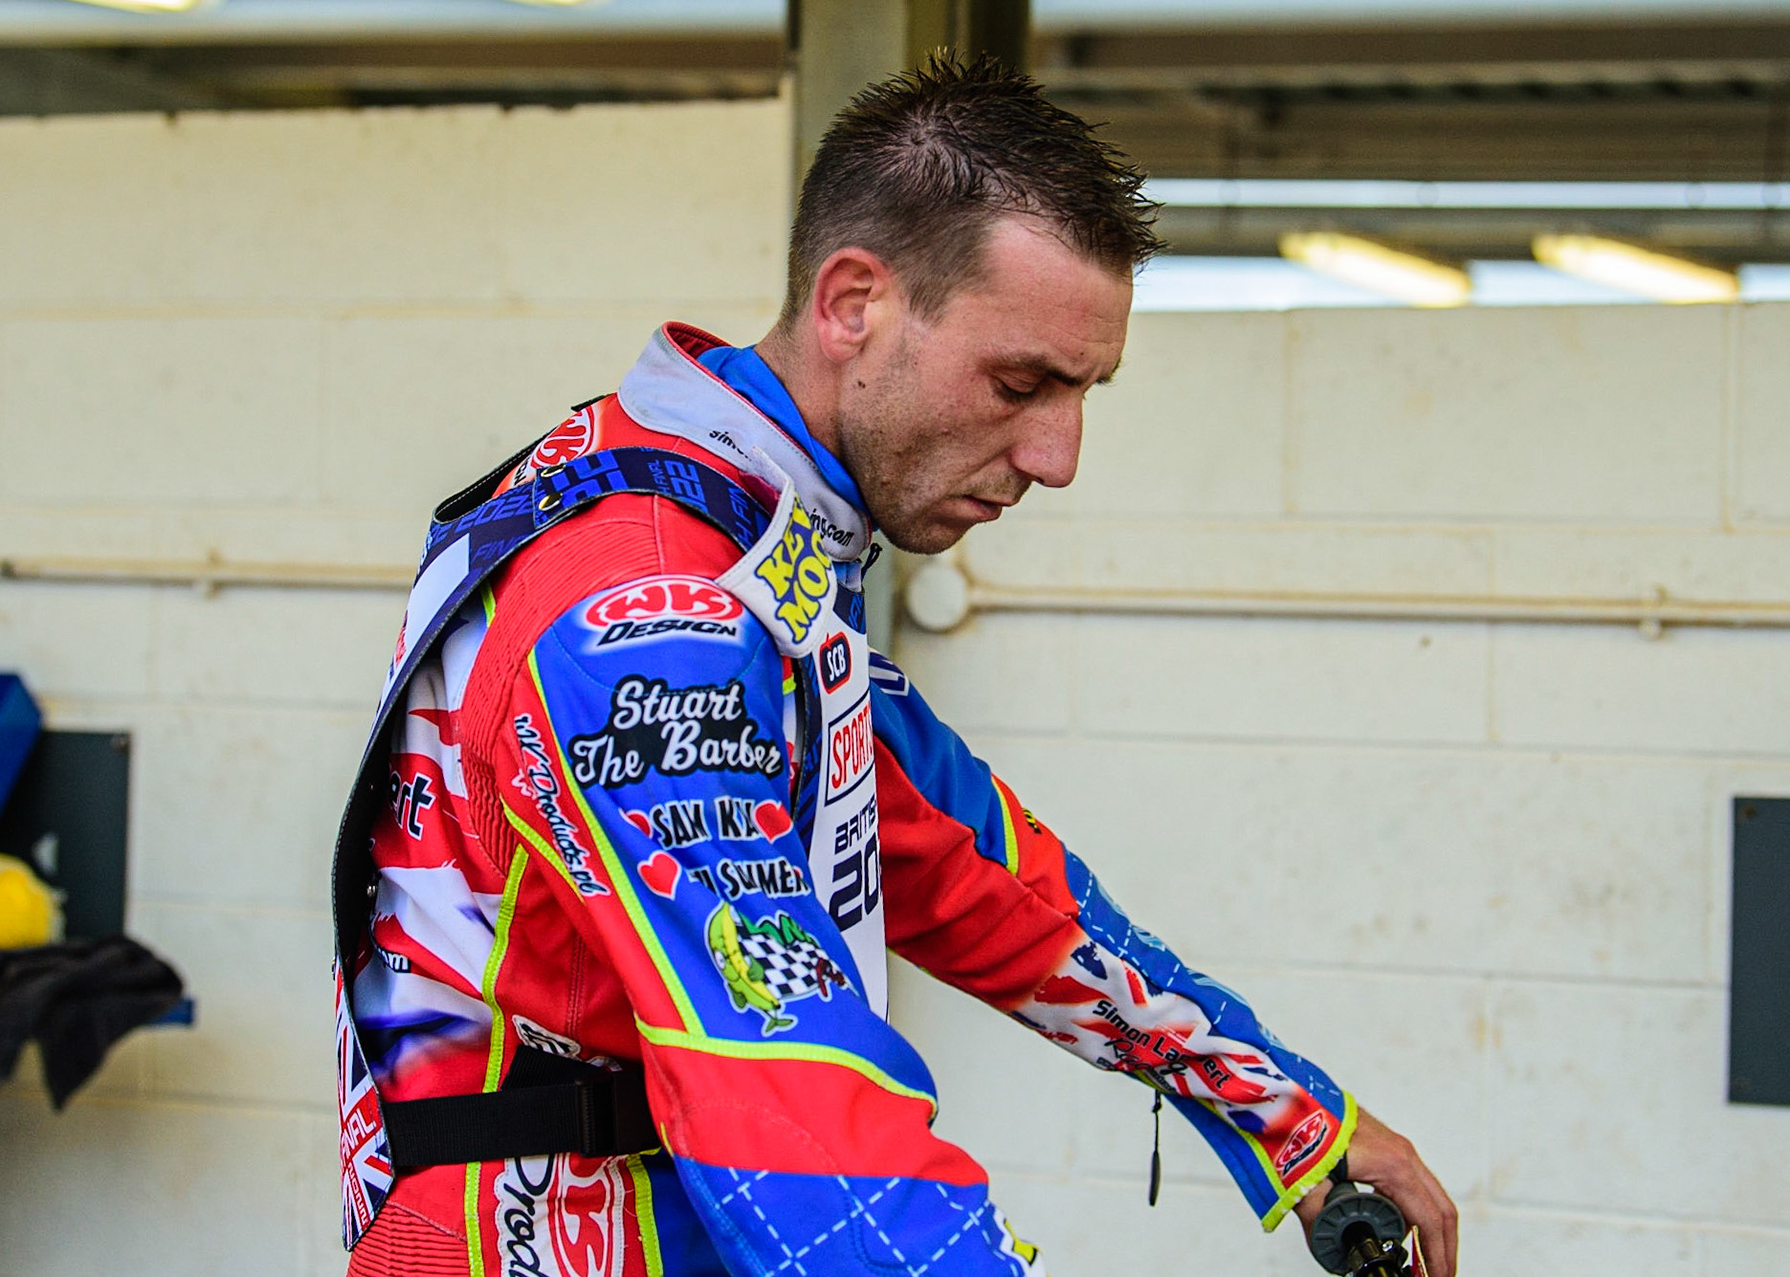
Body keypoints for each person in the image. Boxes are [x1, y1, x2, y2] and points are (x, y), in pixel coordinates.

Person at [331, 54, 1458, 1277]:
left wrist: (1289, 1117)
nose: (1060, 453)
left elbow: (976, 868)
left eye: (1084, 392)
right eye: (1021, 382)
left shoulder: (740, 539)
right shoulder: (651, 611)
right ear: (853, 302)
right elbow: (786, 1087)